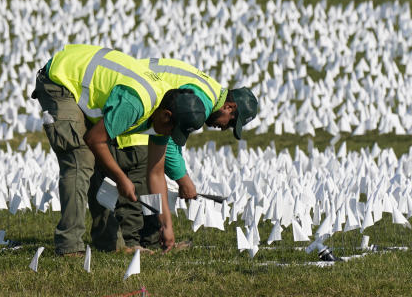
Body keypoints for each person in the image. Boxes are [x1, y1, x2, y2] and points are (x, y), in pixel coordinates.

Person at [31, 45, 207, 255]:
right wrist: (121, 178)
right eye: (172, 130)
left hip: (83, 85)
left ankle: (109, 245)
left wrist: (166, 226)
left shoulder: (164, 113)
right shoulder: (136, 103)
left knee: (99, 161)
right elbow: (94, 139)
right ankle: (69, 246)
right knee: (81, 159)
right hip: (61, 80)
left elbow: (155, 173)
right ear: (167, 115)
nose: (169, 135)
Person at [89, 57, 259, 252]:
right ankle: (132, 243)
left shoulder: (209, 94)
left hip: (146, 111)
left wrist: (181, 177)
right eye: (230, 123)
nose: (224, 128)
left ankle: (153, 240)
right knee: (140, 172)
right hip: (136, 111)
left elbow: (172, 141)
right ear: (230, 107)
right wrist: (183, 180)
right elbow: (168, 143)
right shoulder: (201, 103)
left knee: (152, 175)